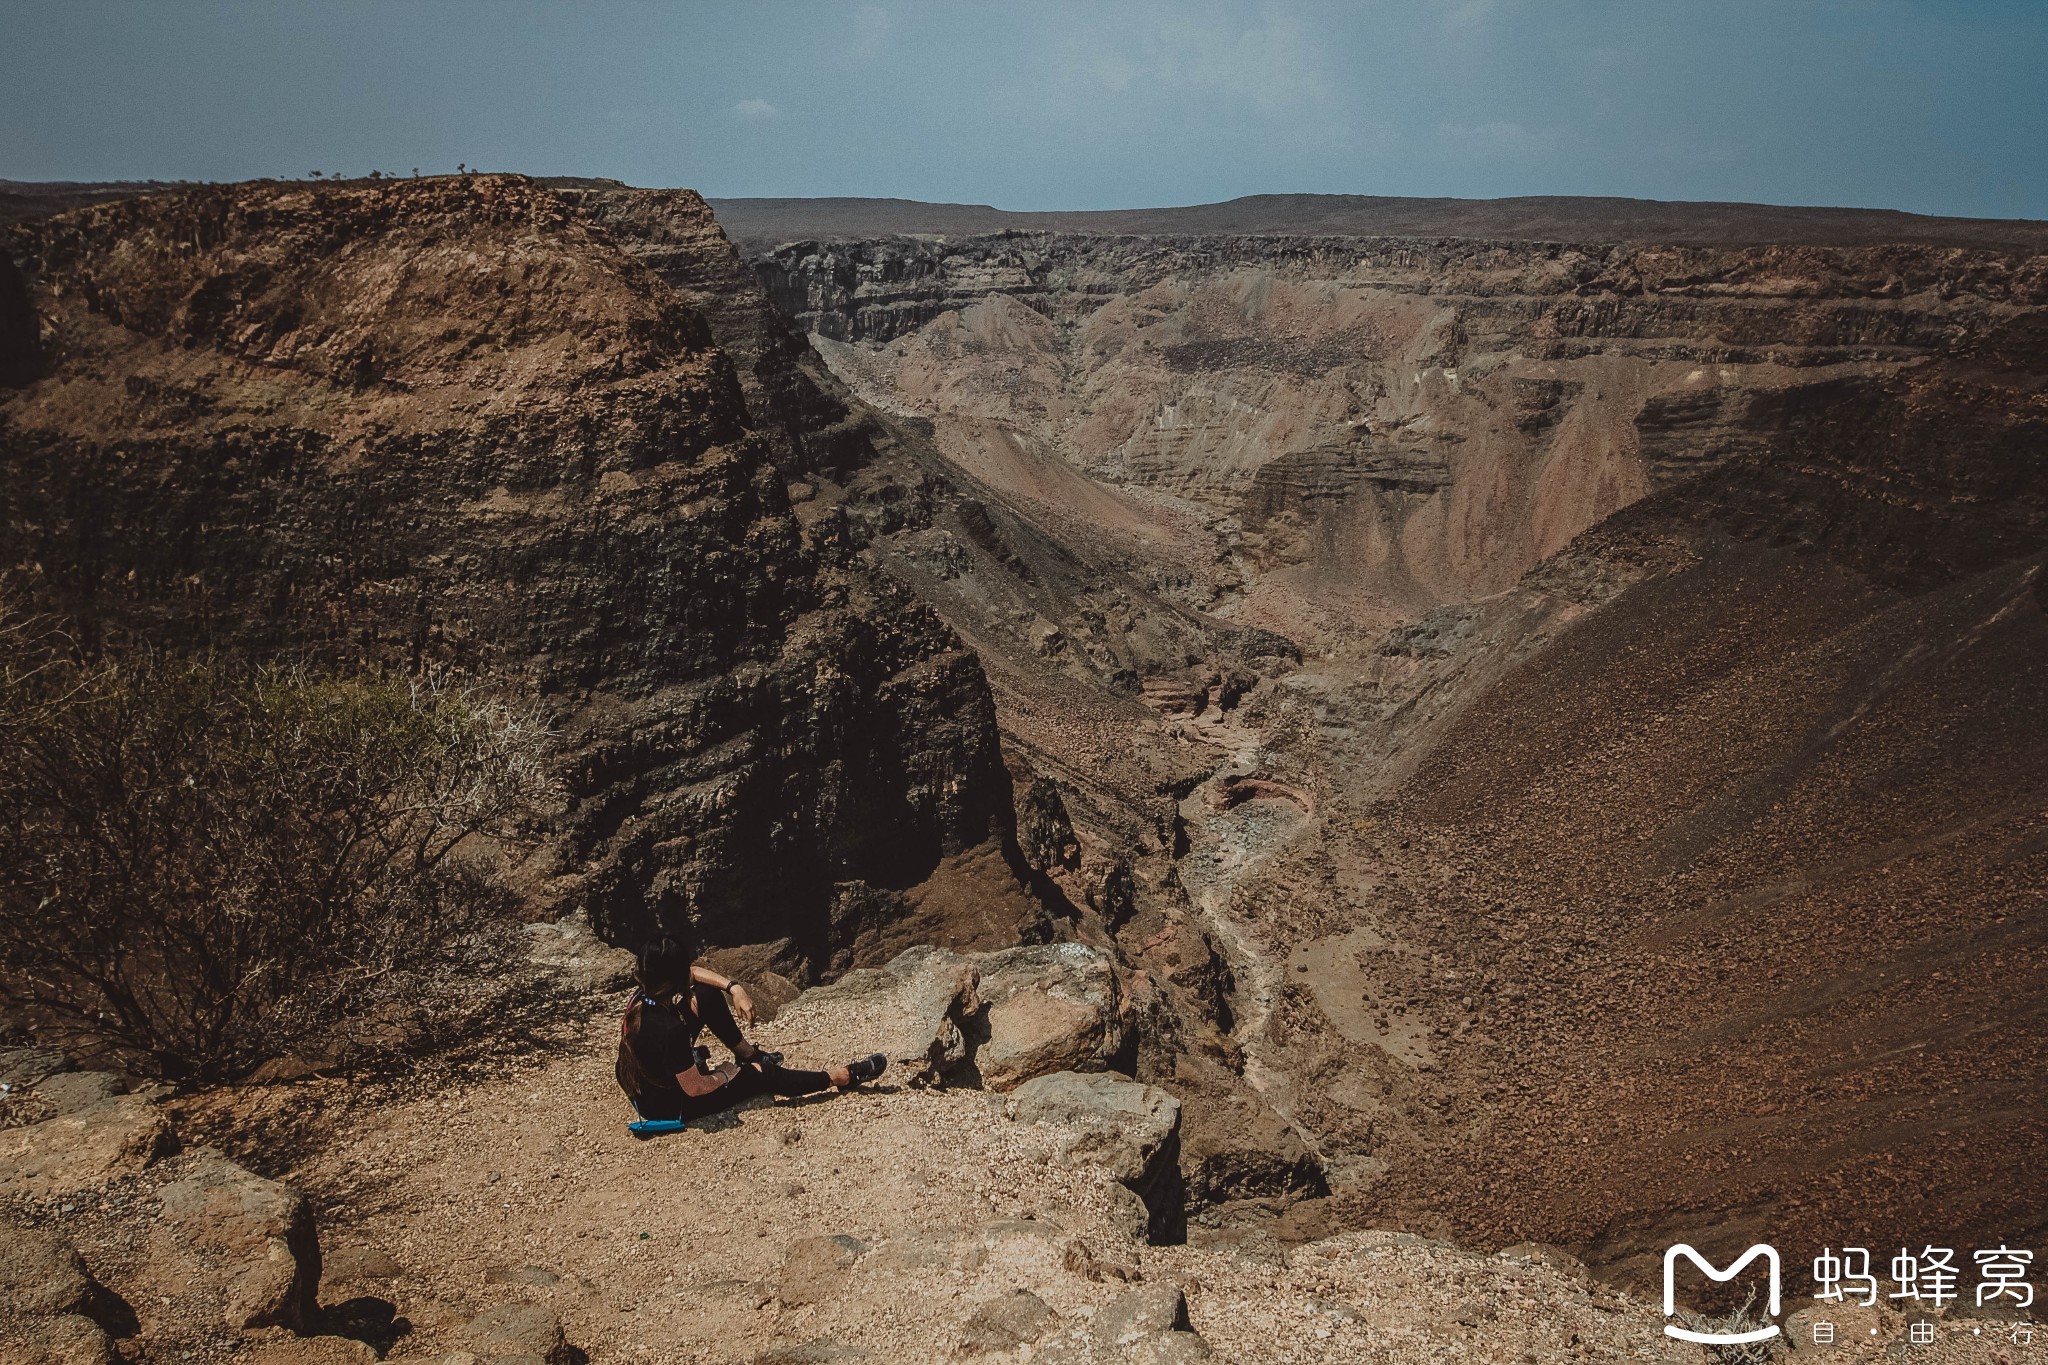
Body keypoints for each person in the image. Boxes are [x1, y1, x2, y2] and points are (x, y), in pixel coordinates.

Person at [616, 934, 886, 1123]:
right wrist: (724, 1074)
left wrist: (735, 989)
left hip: (649, 1083)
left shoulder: (641, 998)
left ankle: (748, 1053)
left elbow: (694, 974)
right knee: (763, 1074)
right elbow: (695, 1089)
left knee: (707, 995)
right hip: (668, 1105)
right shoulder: (670, 1029)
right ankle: (841, 1077)